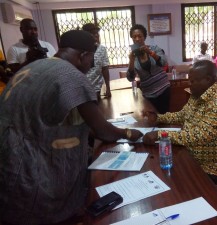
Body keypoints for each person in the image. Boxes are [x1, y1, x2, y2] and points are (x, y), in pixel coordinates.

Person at [0, 30, 143, 225]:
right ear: (83, 55)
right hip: (30, 169)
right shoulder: (70, 75)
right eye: (91, 59)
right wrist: (129, 133)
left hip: (7, 160)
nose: (91, 65)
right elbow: (103, 131)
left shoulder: (37, 65)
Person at [143, 60, 217, 184]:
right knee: (164, 167)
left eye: (192, 81)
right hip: (198, 154)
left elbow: (199, 136)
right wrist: (159, 117)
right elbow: (183, 115)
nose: (188, 84)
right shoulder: (198, 93)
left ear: (207, 80)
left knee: (178, 182)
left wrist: (160, 135)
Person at [127, 24, 170, 114]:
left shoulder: (154, 48)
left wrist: (150, 52)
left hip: (163, 89)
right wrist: (131, 60)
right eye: (134, 37)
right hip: (148, 94)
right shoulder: (133, 57)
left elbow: (163, 62)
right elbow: (130, 78)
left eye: (140, 36)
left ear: (144, 37)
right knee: (151, 119)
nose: (137, 39)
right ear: (132, 39)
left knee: (164, 118)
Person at [82, 23, 111, 99]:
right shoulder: (80, 50)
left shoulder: (102, 49)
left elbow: (105, 69)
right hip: (82, 90)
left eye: (97, 33)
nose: (96, 35)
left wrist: (108, 87)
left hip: (97, 89)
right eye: (93, 33)